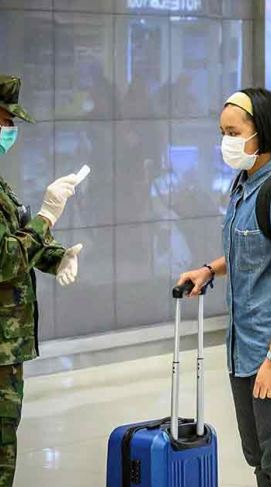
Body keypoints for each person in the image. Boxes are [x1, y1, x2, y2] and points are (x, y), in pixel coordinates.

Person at [177, 88, 271, 487]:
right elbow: (255, 250)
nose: (226, 142)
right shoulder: (244, 186)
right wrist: (210, 269)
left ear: (263, 132)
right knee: (260, 456)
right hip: (247, 343)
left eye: (233, 133)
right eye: (222, 133)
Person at [0, 75, 83, 486]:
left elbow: (13, 234)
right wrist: (48, 215)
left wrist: (54, 256)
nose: (9, 130)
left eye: (11, 123)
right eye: (3, 121)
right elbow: (4, 259)